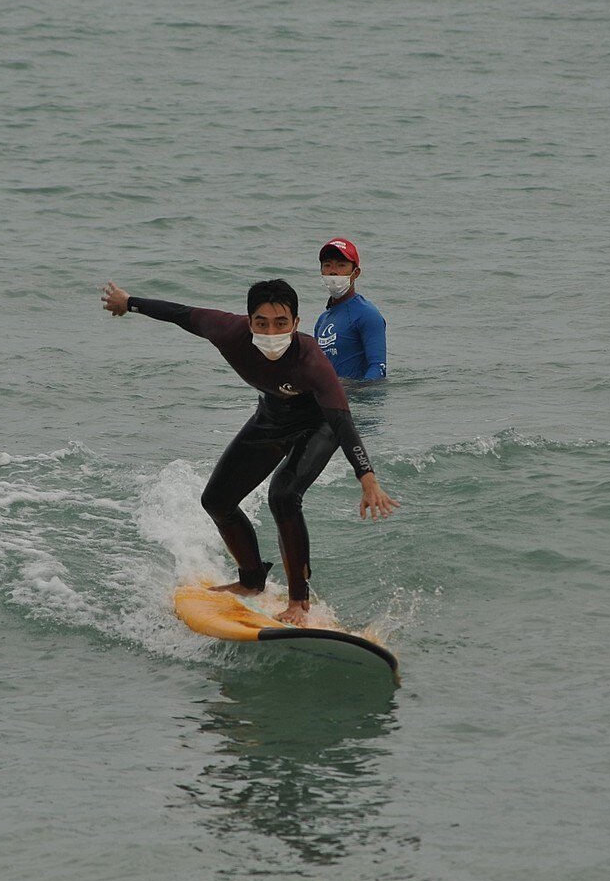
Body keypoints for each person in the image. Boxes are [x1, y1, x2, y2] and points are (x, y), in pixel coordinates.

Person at [101, 277, 399, 625]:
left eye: (281, 323)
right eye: (261, 323)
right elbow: (182, 314)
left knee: (284, 494)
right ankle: (252, 581)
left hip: (319, 424)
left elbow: (342, 421)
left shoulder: (311, 361)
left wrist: (367, 477)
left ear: (296, 324)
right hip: (272, 419)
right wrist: (129, 302)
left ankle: (298, 602)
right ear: (248, 320)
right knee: (216, 501)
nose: (271, 331)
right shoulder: (228, 332)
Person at [313, 237, 388, 380]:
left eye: (341, 265)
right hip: (328, 400)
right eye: (327, 265)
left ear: (356, 273)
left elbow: (378, 369)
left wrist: (351, 390)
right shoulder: (322, 320)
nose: (333, 271)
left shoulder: (367, 314)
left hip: (359, 401)